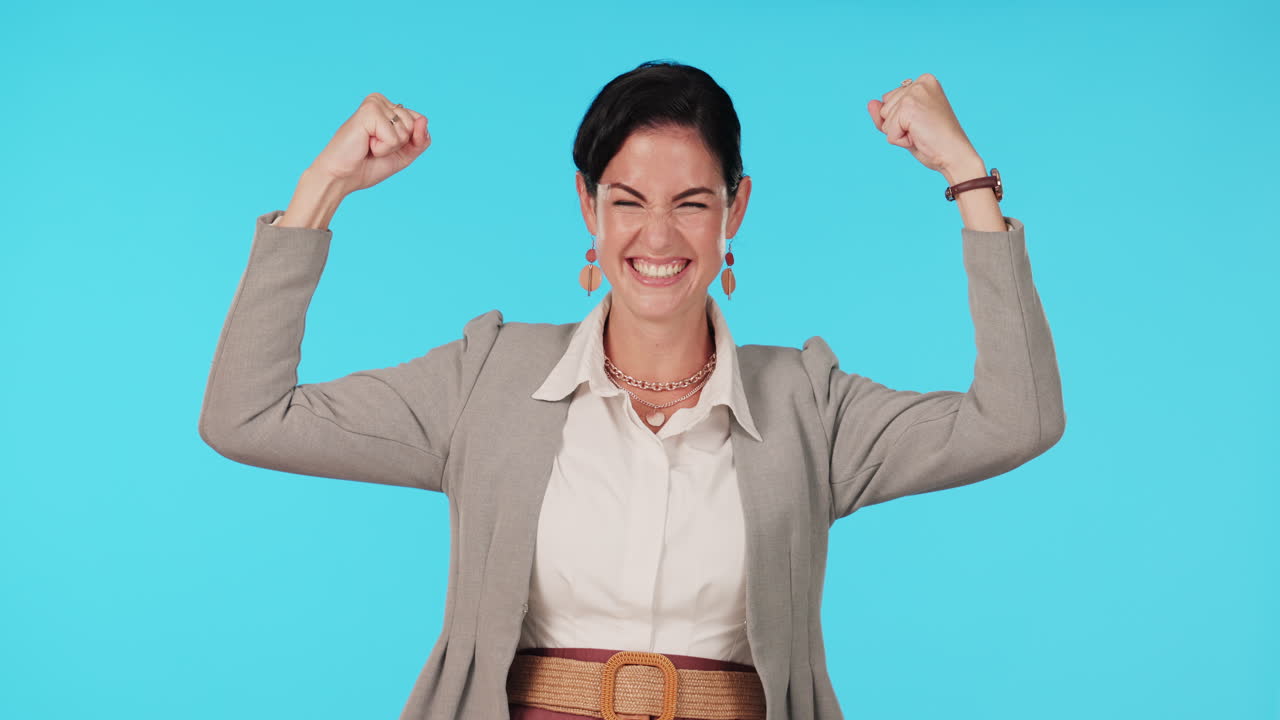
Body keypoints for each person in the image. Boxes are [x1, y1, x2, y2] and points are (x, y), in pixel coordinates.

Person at [199, 61, 1065, 720]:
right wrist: (323, 190)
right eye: (626, 200)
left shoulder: (808, 403)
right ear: (587, 207)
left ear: (737, 210)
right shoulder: (490, 377)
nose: (658, 235)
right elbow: (247, 417)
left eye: (693, 202)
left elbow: (1015, 418)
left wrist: (967, 175)